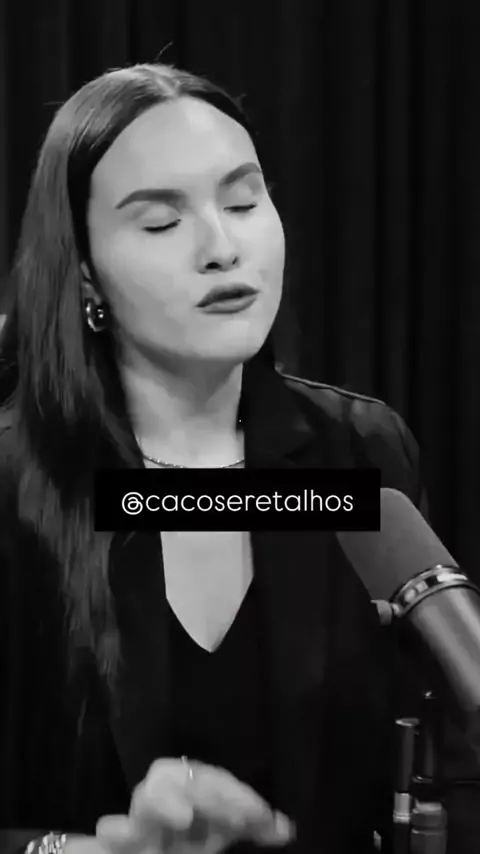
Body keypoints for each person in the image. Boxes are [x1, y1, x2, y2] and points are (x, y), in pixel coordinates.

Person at [0, 62, 478, 854]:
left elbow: (441, 762)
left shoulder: (359, 452)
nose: (222, 248)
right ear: (84, 270)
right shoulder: (16, 482)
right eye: (161, 223)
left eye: (244, 202)